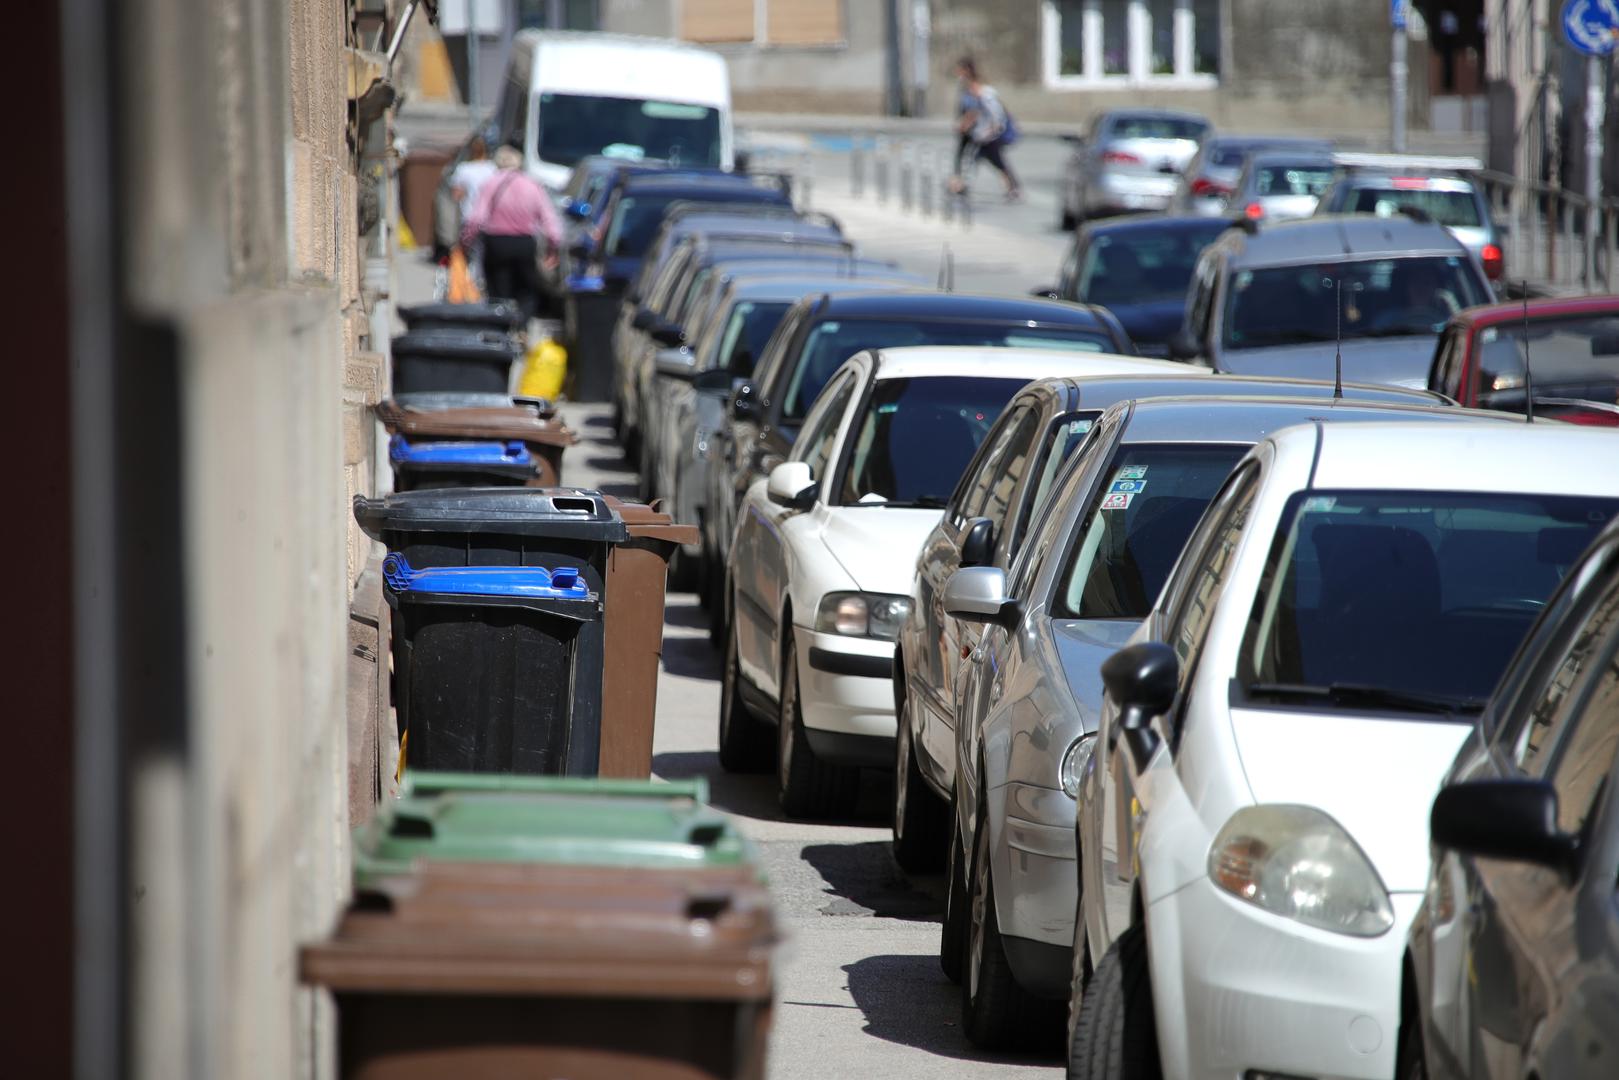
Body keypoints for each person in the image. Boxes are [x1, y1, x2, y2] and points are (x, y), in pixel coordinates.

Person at [462, 145, 563, 321]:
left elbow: (476, 218)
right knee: (526, 289)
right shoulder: (532, 185)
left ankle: (501, 325)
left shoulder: (491, 183)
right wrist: (553, 247)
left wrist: (466, 241)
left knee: (498, 289)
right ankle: (522, 325)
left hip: (496, 242)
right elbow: (549, 220)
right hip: (524, 243)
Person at [953, 59, 1021, 202]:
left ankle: (1013, 188)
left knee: (997, 162)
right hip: (981, 135)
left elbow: (996, 115)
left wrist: (992, 130)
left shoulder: (986, 96)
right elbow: (974, 113)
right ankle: (963, 185)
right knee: (974, 159)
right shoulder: (977, 95)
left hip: (989, 136)